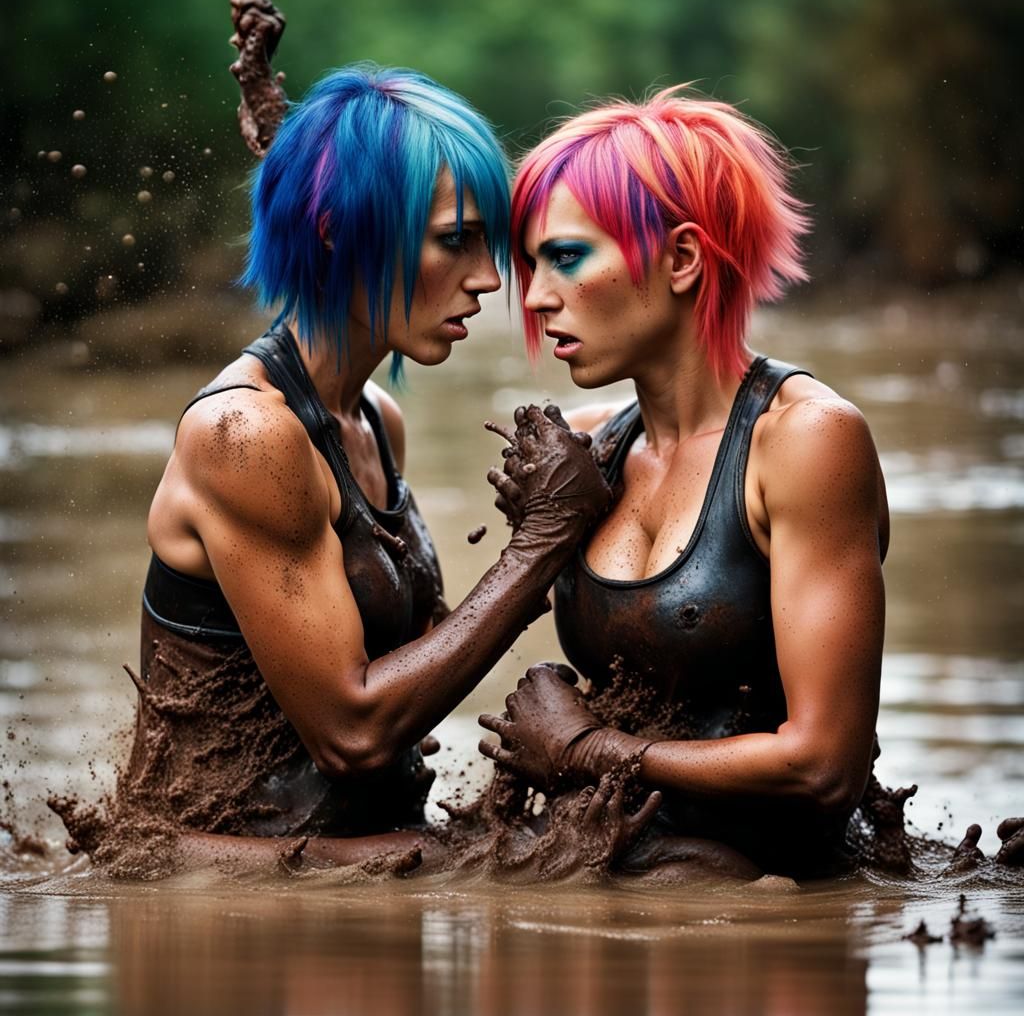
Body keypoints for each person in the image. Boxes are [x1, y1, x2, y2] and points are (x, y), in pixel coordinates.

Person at [89, 60, 615, 875]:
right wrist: (544, 540)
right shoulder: (246, 434)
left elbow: (406, 646)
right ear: (338, 231)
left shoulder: (375, 420)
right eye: (456, 241)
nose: (489, 279)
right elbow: (352, 730)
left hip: (345, 857)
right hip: (226, 885)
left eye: (490, 244)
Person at [479, 87, 890, 878]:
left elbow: (824, 764)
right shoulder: (591, 446)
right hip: (614, 870)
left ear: (682, 258)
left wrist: (592, 749)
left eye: (565, 257)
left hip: (755, 909)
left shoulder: (804, 441)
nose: (533, 297)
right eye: (528, 265)